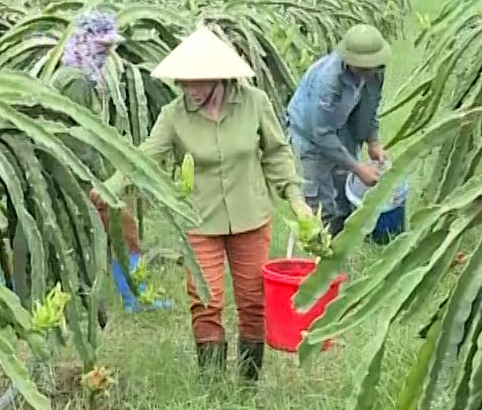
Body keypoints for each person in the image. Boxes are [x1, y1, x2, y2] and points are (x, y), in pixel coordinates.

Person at [108, 26, 311, 378]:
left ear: (220, 77)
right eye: (184, 82)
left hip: (251, 216)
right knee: (206, 300)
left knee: (252, 301)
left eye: (198, 81)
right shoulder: (174, 115)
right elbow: (145, 156)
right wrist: (111, 185)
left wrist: (296, 199)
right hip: (199, 219)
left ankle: (248, 384)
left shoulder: (254, 103)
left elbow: (277, 154)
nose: (190, 88)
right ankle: (213, 385)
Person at [50, 11, 154, 313]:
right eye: (101, 47)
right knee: (124, 231)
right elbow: (76, 135)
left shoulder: (71, 74)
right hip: (81, 174)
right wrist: (96, 181)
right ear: (85, 43)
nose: (107, 54)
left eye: (109, 49)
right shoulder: (76, 81)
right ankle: (137, 298)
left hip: (73, 172)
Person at [285, 23, 391, 236]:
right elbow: (321, 133)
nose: (367, 72)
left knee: (344, 188)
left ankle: (341, 240)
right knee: (320, 195)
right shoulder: (328, 79)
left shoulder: (376, 72)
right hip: (311, 133)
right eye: (361, 67)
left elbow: (371, 107)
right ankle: (320, 247)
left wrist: (373, 141)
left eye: (370, 66)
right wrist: (360, 169)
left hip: (344, 125)